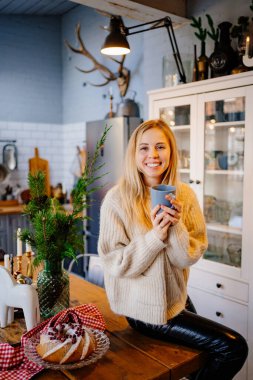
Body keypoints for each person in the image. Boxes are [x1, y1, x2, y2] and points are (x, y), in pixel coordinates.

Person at [98, 119, 248, 380]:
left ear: (171, 152)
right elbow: (116, 263)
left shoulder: (185, 195)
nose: (153, 155)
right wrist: (155, 236)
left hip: (175, 298)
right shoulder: (117, 199)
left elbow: (186, 258)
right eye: (144, 148)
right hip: (143, 309)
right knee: (233, 347)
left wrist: (175, 226)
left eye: (160, 147)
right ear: (134, 154)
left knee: (202, 361)